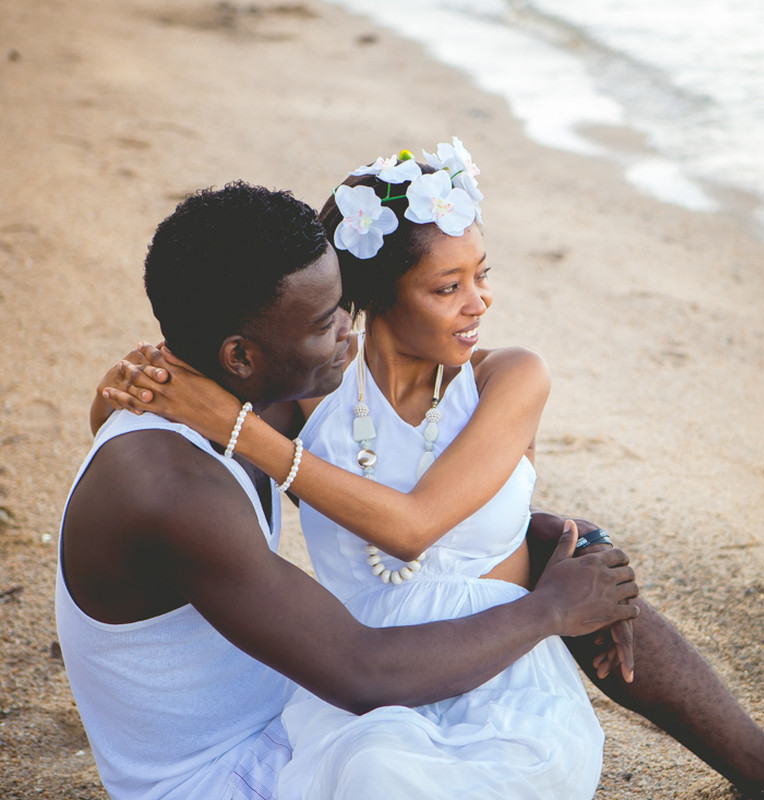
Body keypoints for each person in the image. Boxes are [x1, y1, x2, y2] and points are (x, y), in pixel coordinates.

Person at [96, 157, 764, 800]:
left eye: (483, 277)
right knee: (381, 772)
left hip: (498, 668)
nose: (479, 301)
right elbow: (171, 447)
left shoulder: (508, 379)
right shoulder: (309, 400)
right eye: (447, 287)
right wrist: (122, 395)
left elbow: (421, 525)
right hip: (374, 680)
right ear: (381, 298)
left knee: (549, 631)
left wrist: (545, 543)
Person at [61, 180, 639, 800]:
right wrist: (549, 610)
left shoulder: (236, 414)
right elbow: (365, 672)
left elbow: (371, 492)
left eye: (346, 306)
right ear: (240, 357)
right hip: (230, 773)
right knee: (404, 771)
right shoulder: (178, 486)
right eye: (323, 321)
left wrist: (540, 526)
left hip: (287, 717)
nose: (349, 330)